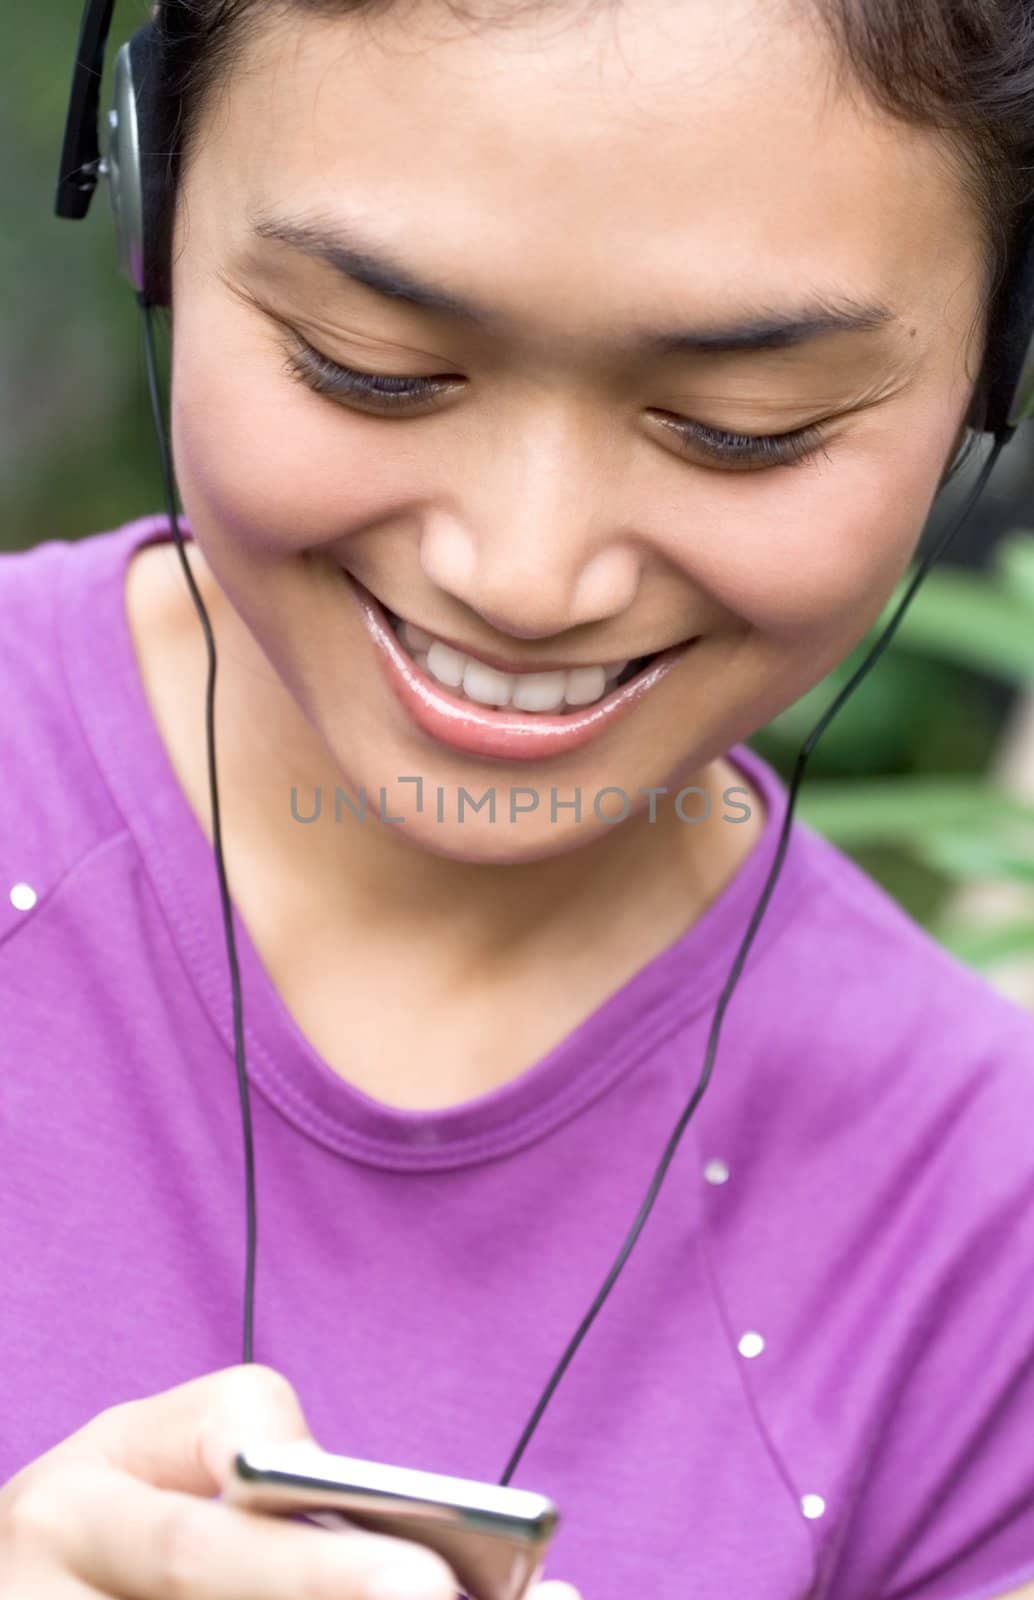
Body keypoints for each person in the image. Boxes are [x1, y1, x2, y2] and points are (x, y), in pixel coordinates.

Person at [3, 0, 1034, 1596]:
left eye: (736, 431)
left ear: (998, 354)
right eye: (373, 369)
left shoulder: (981, 1245)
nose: (526, 575)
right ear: (143, 186)